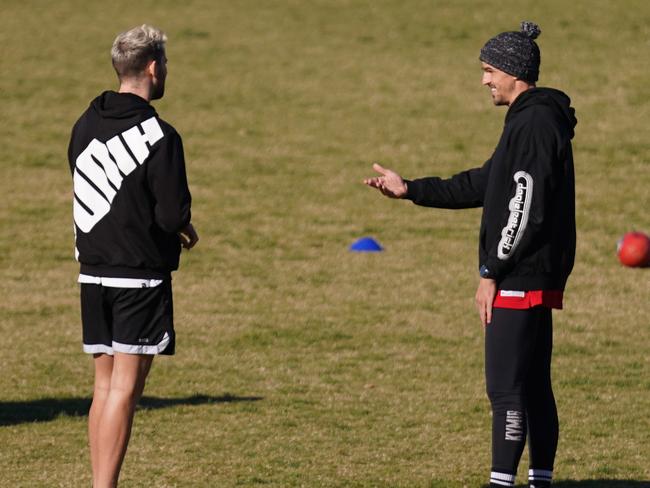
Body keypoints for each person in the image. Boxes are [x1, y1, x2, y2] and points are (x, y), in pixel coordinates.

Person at [364, 21, 576, 488]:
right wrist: (411, 189)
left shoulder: (535, 123)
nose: (484, 80)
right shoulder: (531, 119)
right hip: (533, 271)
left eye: (489, 70)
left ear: (514, 73)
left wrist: (491, 270)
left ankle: (502, 481)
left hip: (520, 272)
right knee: (533, 386)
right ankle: (540, 479)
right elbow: (488, 182)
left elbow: (524, 207)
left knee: (507, 389)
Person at [68, 24, 198, 488]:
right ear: (152, 67)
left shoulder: (85, 124)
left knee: (102, 389)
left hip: (93, 273)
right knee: (124, 391)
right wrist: (184, 228)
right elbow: (170, 214)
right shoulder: (160, 136)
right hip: (138, 279)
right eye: (165, 64)